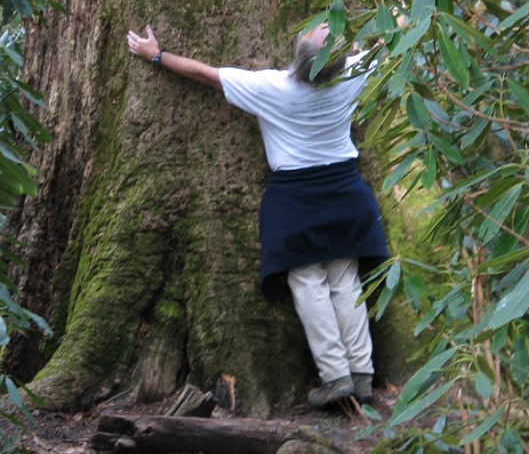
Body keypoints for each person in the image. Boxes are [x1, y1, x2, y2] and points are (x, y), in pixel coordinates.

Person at [126, 21, 389, 408]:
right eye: (326, 29)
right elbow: (395, 44)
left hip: (297, 200)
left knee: (309, 284)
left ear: (302, 55)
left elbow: (206, 75)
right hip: (345, 195)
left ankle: (338, 378)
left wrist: (158, 55)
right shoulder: (352, 74)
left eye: (325, 31)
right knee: (345, 281)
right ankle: (362, 374)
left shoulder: (274, 88)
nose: (325, 23)